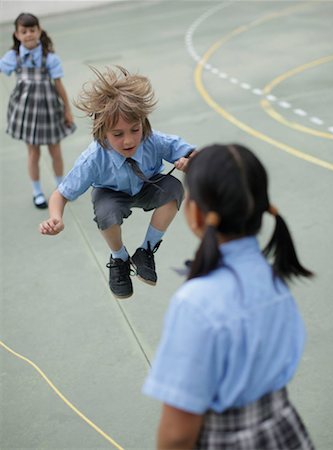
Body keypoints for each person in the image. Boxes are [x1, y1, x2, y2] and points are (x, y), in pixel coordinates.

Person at [143, 143, 315, 449]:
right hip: (286, 432)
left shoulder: (195, 302)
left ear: (195, 212)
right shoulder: (274, 279)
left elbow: (178, 433)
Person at [39, 66, 195, 299]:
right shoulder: (93, 158)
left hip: (147, 186)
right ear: (102, 132)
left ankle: (146, 250)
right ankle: (120, 258)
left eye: (135, 129)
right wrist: (56, 218)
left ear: (144, 123)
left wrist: (188, 161)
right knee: (106, 212)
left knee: (174, 188)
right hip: (111, 193)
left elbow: (192, 153)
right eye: (118, 134)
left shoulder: (153, 141)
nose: (129, 140)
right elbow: (60, 194)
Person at [0, 12, 75, 209]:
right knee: (33, 153)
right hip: (26, 111)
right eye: (23, 31)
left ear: (39, 31)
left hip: (49, 109)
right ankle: (37, 191)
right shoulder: (13, 57)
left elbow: (59, 85)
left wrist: (67, 109)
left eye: (32, 30)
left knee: (55, 150)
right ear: (17, 34)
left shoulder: (49, 57)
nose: (28, 35)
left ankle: (61, 188)